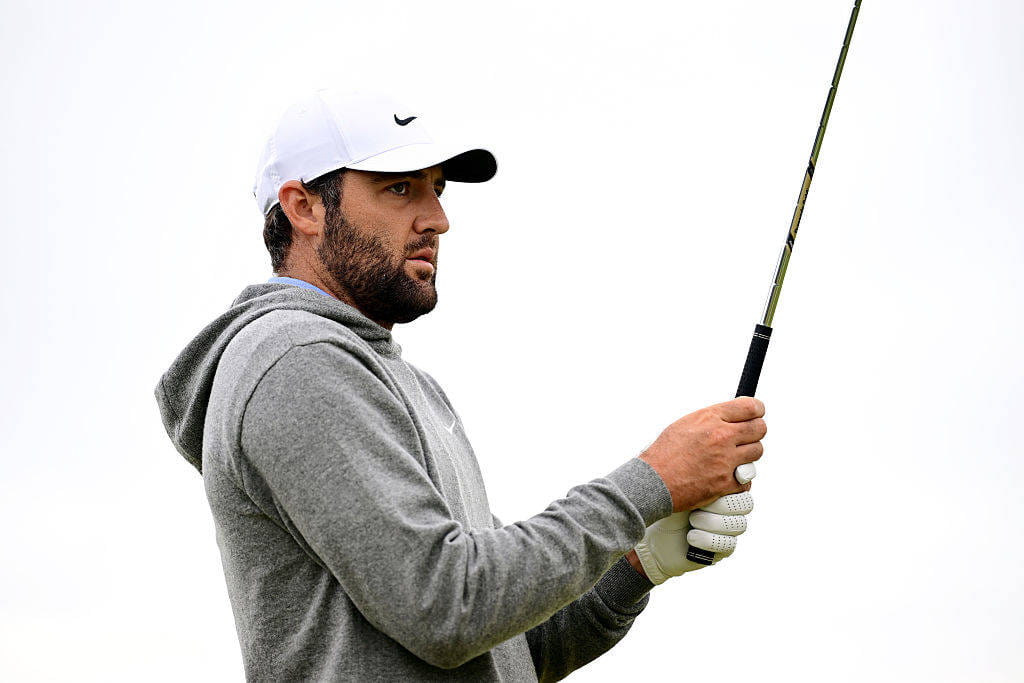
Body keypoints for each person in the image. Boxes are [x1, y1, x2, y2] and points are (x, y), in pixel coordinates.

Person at [154, 88, 766, 681]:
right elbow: (448, 608)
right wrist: (650, 482)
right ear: (304, 207)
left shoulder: (399, 381)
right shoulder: (295, 359)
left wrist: (638, 561)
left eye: (438, 190)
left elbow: (511, 647)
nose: (438, 219)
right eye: (400, 188)